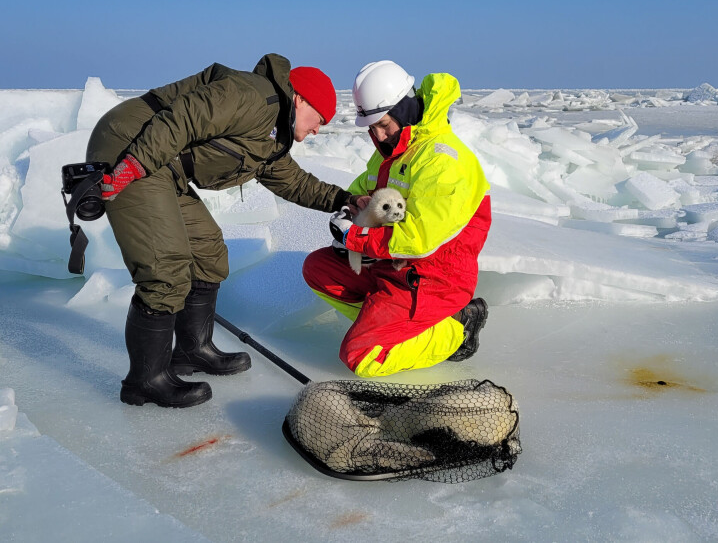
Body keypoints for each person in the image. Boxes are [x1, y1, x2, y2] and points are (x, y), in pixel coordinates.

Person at [87, 54, 353, 408]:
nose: (319, 129)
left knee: (208, 252)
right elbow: (183, 118)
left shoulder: (271, 136)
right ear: (300, 98)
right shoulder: (254, 96)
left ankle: (192, 350)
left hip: (163, 166)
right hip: (132, 145)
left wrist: (346, 199)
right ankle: (144, 380)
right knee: (164, 268)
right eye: (320, 118)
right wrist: (133, 166)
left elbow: (294, 182)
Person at [302, 60, 491, 378]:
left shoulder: (444, 161)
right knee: (318, 269)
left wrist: (355, 237)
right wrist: (350, 209)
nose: (378, 135)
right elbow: (362, 190)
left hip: (434, 279)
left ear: (405, 111)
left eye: (384, 124)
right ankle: (387, 326)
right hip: (390, 265)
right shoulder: (392, 151)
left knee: (360, 357)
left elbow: (418, 239)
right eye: (371, 127)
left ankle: (457, 328)